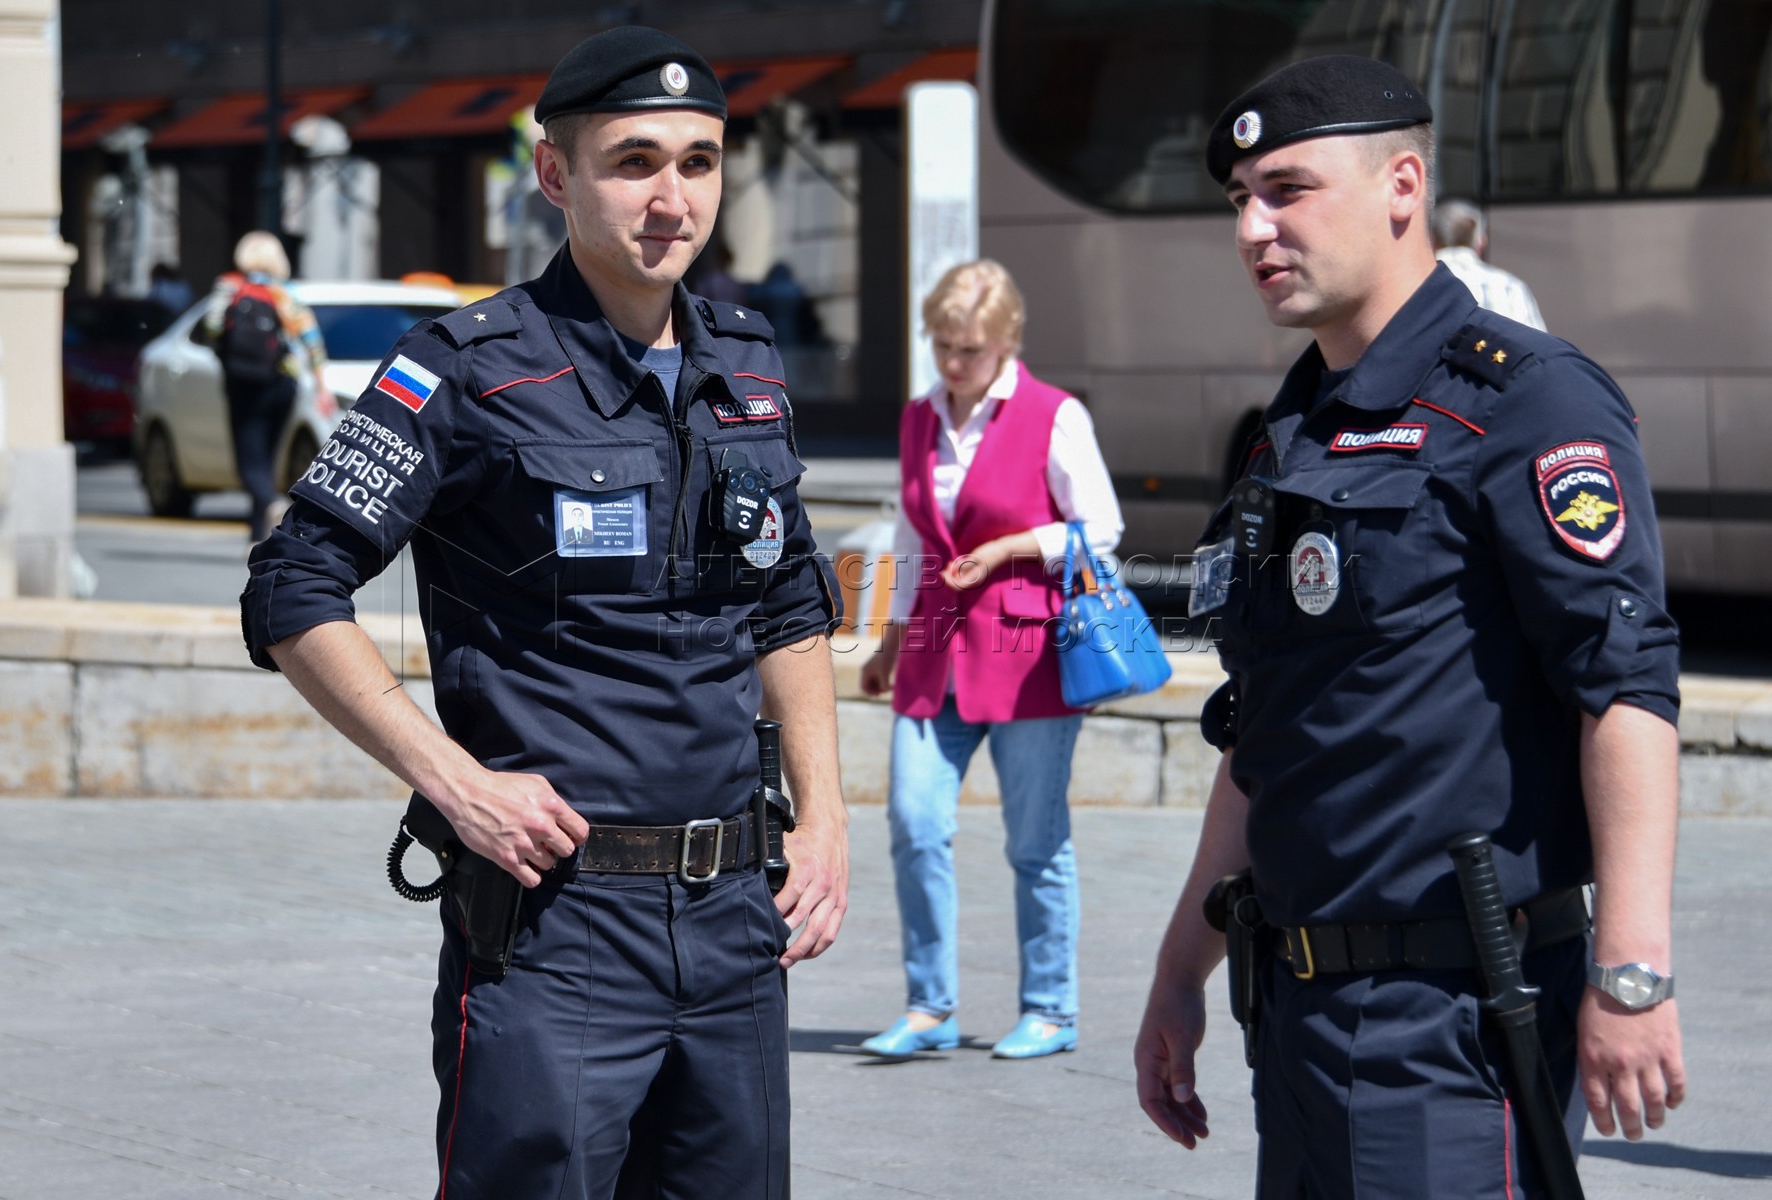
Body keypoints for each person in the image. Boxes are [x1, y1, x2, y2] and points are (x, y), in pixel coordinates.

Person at [240, 26, 849, 1198]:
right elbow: (292, 584)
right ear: (555, 173)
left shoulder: (750, 366)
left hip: (732, 923)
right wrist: (452, 782)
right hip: (554, 927)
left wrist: (823, 820)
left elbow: (786, 601)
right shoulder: (463, 369)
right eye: (634, 162)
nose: (672, 197)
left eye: (700, 160)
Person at [1133, 56, 1686, 1197]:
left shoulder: (1525, 399)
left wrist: (1630, 974)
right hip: (1291, 1013)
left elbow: (1623, 690)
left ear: (1401, 184)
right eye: (1239, 197)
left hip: (1454, 1022)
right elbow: (1268, 723)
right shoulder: (1291, 429)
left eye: (1286, 189)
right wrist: (1181, 964)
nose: (1253, 226)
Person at [858, 259, 1124, 1060]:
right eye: (942, 345)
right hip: (934, 653)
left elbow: (1101, 530)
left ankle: (1051, 1008)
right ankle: (929, 1006)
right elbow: (911, 537)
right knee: (913, 821)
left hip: (1027, 653)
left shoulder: (1054, 415)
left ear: (1007, 340)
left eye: (969, 348)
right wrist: (890, 638)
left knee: (1035, 842)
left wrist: (1012, 546)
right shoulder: (917, 419)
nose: (952, 363)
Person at [203, 232, 329, 541]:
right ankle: (257, 534)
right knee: (268, 457)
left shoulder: (230, 286)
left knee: (249, 458)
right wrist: (321, 384)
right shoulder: (284, 292)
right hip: (282, 380)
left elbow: (212, 326)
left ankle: (269, 504)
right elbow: (311, 341)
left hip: (243, 382)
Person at [1432, 196, 1548, 330]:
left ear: (1432, 239)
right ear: (1482, 242)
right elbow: (1536, 345)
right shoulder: (1510, 287)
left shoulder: (1418, 284)